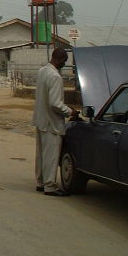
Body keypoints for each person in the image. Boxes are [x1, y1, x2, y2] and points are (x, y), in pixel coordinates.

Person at [32, 48, 79, 196]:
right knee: (51, 156)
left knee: (41, 155)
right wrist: (70, 111)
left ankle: (41, 182)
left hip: (41, 120)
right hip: (51, 123)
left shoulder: (42, 71)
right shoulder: (55, 76)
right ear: (59, 59)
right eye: (64, 62)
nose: (64, 65)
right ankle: (50, 186)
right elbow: (55, 103)